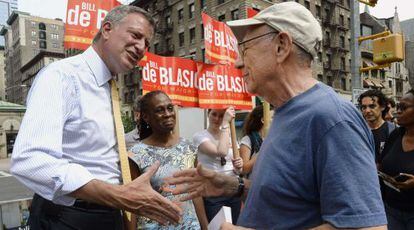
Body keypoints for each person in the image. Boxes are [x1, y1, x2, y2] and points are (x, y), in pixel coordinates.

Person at [165, 2, 387, 229]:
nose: (238, 62)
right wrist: (233, 186)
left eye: (244, 49)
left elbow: (366, 226)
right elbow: (289, 197)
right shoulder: (286, 113)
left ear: (281, 46)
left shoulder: (333, 119)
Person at [10, 5, 181, 230]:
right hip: (67, 216)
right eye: (136, 35)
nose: (141, 48)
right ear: (107, 29)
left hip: (109, 213)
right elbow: (30, 159)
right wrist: (117, 195)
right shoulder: (62, 76)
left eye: (147, 43)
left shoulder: (109, 87)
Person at [128, 90, 208, 229]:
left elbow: (196, 195)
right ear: (146, 117)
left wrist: (205, 227)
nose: (167, 114)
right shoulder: (136, 155)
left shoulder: (189, 148)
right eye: (160, 110)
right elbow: (132, 202)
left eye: (170, 108)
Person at [192, 108, 243, 223]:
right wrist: (225, 123)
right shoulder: (200, 136)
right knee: (218, 226)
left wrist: (239, 166)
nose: (217, 119)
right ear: (208, 114)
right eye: (214, 114)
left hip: (233, 189)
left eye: (221, 116)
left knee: (234, 226)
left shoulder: (231, 136)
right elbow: (221, 152)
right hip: (213, 191)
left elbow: (238, 170)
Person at [378, 89, 414, 229]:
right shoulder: (395, 135)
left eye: (403, 108)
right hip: (391, 210)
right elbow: (381, 163)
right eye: (398, 107)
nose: (397, 111)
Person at [358, 90, 396, 164]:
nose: (367, 110)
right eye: (364, 107)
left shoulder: (393, 130)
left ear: (382, 107)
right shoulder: (358, 131)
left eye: (372, 106)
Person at [239, 105, 272, 178]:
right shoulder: (248, 140)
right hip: (253, 184)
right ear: (263, 120)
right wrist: (263, 149)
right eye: (272, 117)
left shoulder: (275, 138)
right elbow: (244, 169)